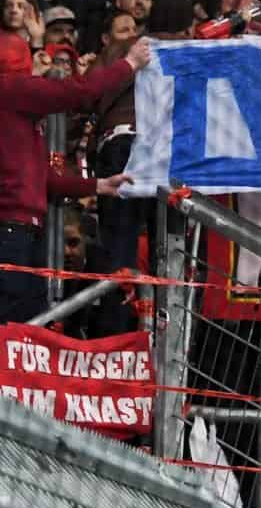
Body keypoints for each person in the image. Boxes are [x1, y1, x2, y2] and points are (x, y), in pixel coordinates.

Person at [0, 33, 149, 321]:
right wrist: (128, 64)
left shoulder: (17, 115)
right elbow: (77, 91)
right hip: (10, 232)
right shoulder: (9, 87)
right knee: (14, 323)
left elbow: (47, 179)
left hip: (24, 231)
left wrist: (97, 185)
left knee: (26, 322)